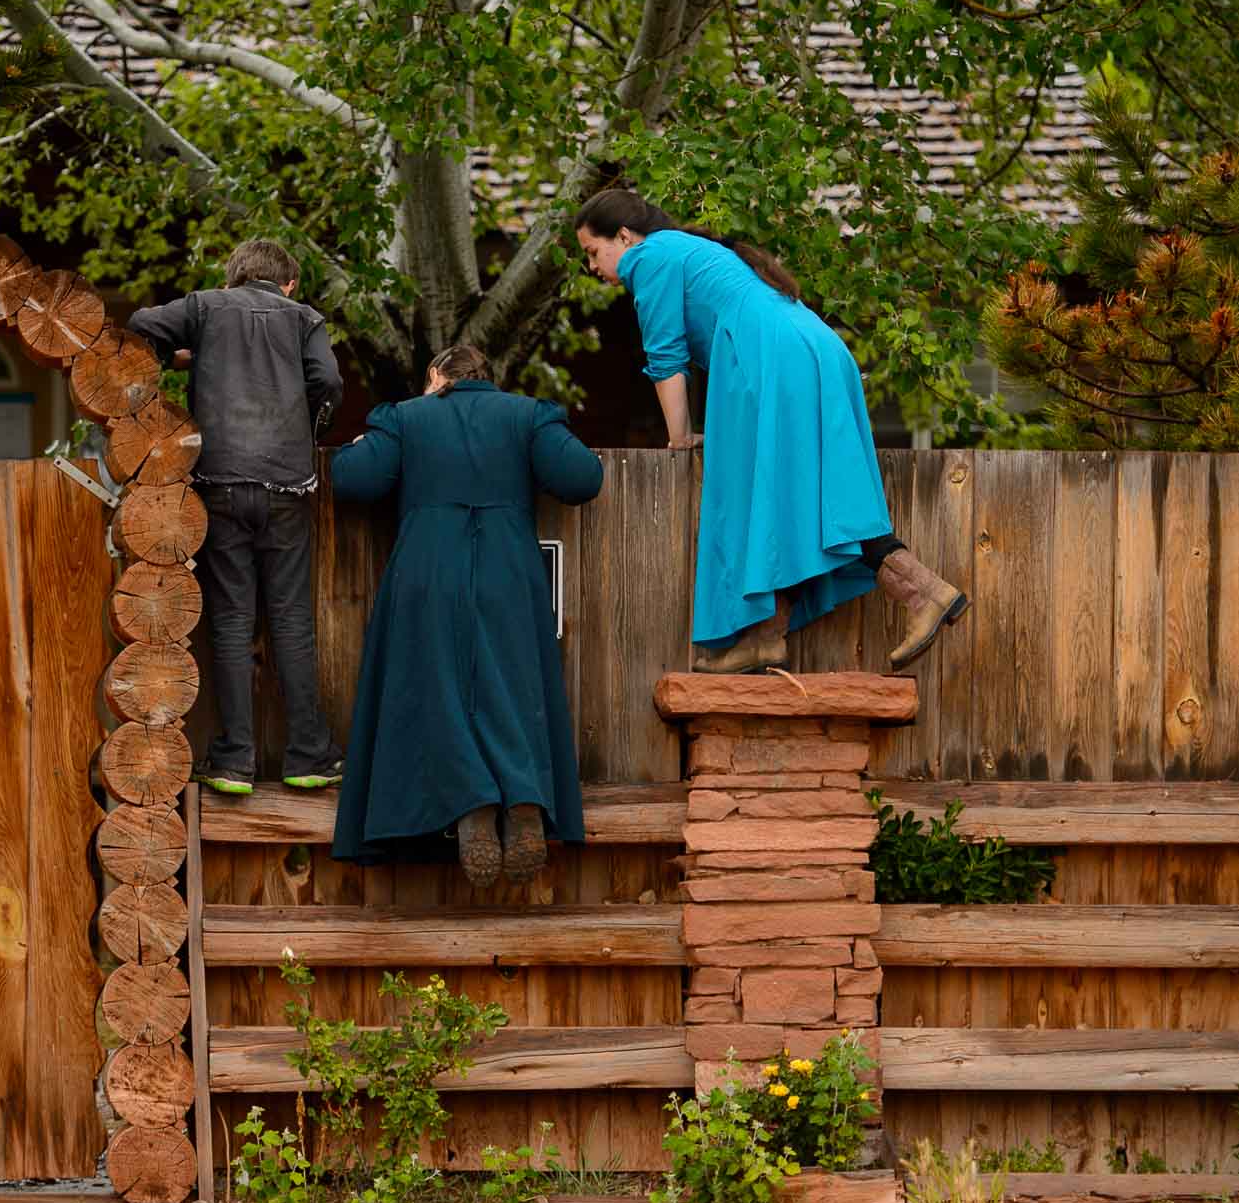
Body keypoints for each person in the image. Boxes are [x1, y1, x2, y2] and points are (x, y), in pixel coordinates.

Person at [573, 189, 969, 673]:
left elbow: (666, 358)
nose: (592, 266)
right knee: (794, 494)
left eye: (593, 252)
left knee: (785, 492)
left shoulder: (650, 256)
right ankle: (766, 634)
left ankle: (922, 590)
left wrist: (679, 437)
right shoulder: (685, 249)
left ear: (625, 236)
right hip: (810, 345)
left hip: (771, 358)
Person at [327, 344, 604, 887]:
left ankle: (469, 804)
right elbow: (581, 480)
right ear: (489, 378)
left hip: (428, 570)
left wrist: (369, 442)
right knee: (511, 687)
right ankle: (522, 799)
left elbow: (352, 480)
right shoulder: (528, 414)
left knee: (438, 690)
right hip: (509, 570)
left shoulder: (406, 417)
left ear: (436, 376)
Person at [127, 239, 346, 795]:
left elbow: (141, 323)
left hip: (219, 483)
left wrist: (187, 358)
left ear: (232, 279)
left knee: (229, 620)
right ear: (289, 283)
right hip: (288, 487)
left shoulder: (205, 307)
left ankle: (232, 762)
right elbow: (330, 382)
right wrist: (306, 429)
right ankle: (307, 758)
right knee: (292, 620)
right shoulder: (305, 318)